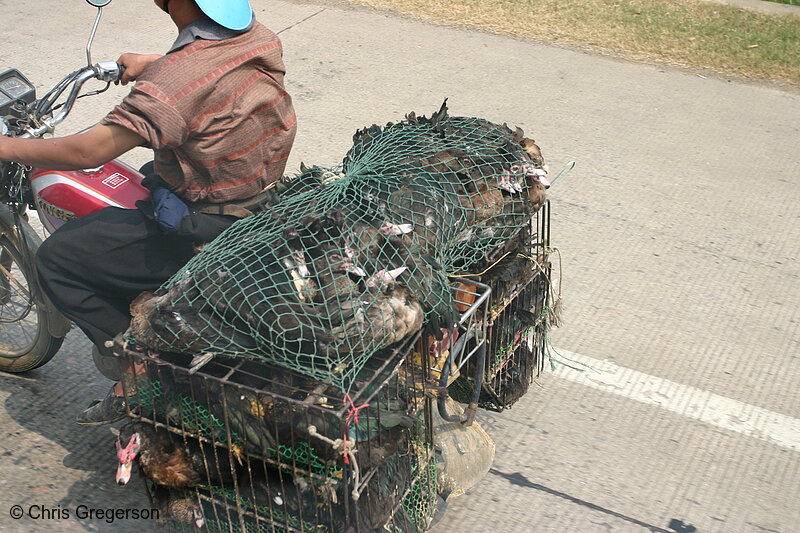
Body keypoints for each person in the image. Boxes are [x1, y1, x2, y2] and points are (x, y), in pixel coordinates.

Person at [0, 0, 297, 425]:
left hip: (208, 221)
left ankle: (139, 372)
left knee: (58, 259)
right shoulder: (258, 38)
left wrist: (6, 146)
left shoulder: (173, 84)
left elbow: (88, 151)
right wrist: (156, 63)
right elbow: (204, 74)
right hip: (257, 197)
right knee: (143, 177)